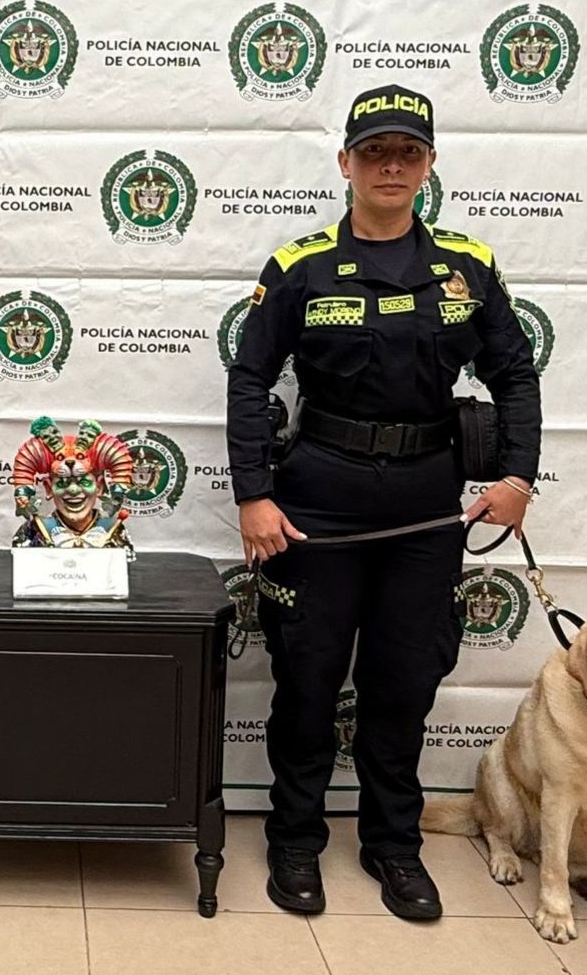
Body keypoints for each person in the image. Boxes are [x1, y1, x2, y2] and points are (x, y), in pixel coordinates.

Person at [226, 85, 542, 921]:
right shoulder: (300, 267)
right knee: (308, 679)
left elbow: (512, 372)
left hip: (424, 507)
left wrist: (515, 476)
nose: (390, 165)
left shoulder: (467, 266)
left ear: (430, 164)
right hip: (317, 503)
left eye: (407, 151)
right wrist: (253, 494)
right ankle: (295, 839)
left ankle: (391, 845)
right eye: (374, 152)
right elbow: (249, 375)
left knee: (403, 683)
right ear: (346, 164)